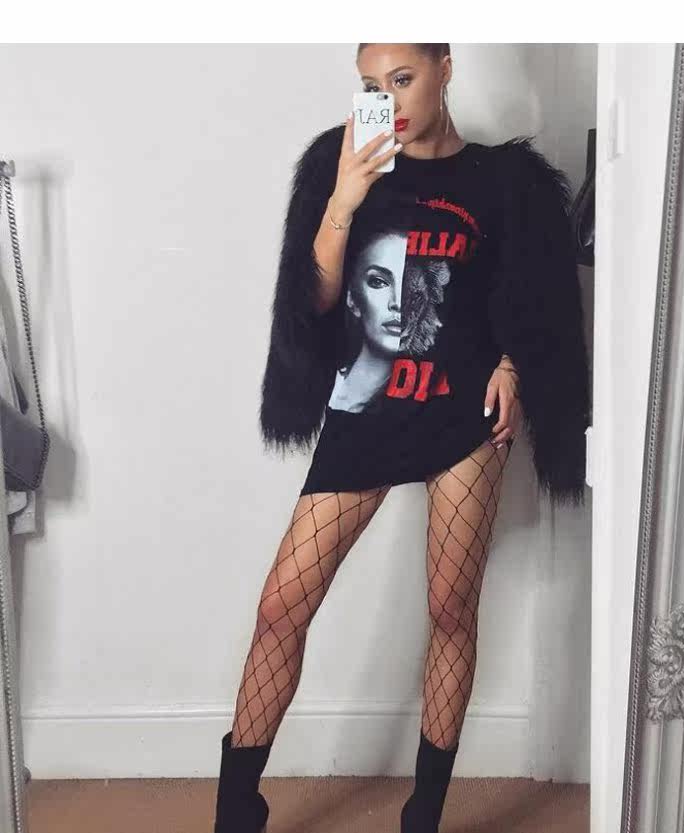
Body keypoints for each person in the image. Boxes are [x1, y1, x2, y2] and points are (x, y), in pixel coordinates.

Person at [213, 43, 591, 833]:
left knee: (451, 609)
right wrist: (344, 199)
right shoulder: (343, 162)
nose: (388, 98)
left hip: (462, 415)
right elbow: (314, 303)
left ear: (445, 69)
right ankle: (237, 805)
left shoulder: (503, 182)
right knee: (282, 608)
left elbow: (530, 297)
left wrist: (514, 366)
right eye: (371, 84)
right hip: (366, 410)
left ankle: (425, 810)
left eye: (403, 78)